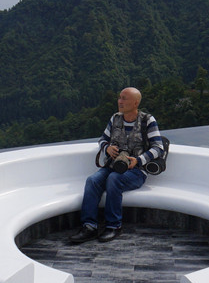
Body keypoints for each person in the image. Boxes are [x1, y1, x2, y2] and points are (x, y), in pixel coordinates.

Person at [70, 87, 165, 243]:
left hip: (136, 171)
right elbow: (102, 139)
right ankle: (89, 226)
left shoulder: (147, 120)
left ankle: (114, 226)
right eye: (119, 98)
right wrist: (107, 148)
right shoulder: (115, 118)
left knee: (114, 179)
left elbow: (158, 148)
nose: (120, 101)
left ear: (136, 103)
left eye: (124, 98)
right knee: (92, 181)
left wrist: (138, 160)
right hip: (112, 166)